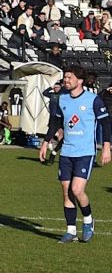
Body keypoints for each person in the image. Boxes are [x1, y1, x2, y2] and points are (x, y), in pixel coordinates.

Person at [41, 65, 111, 243]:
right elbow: (55, 122)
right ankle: (71, 231)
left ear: (79, 81)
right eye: (65, 77)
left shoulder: (93, 100)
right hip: (66, 153)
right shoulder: (62, 99)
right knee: (66, 192)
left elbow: (105, 124)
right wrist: (45, 142)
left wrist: (106, 147)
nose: (65, 80)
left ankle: (88, 221)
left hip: (85, 153)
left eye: (69, 77)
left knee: (77, 190)